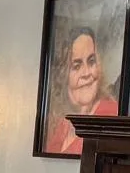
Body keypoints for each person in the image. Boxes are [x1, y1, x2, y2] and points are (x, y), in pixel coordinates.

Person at [45, 25, 118, 155]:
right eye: (77, 66)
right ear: (63, 75)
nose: (86, 73)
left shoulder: (111, 114)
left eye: (91, 61)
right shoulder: (63, 124)